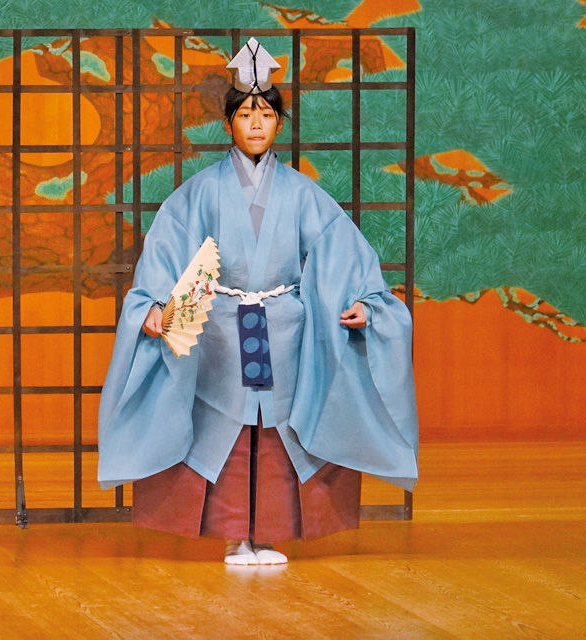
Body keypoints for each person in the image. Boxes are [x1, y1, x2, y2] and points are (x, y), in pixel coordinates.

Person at [98, 38, 418, 565]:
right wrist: (154, 307)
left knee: (276, 432)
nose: (255, 125)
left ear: (279, 124)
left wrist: (366, 302)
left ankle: (267, 534)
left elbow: (340, 248)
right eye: (245, 115)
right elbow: (168, 249)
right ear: (228, 123)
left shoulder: (302, 193)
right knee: (222, 430)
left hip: (284, 328)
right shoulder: (199, 192)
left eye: (266, 115)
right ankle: (232, 535)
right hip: (218, 332)